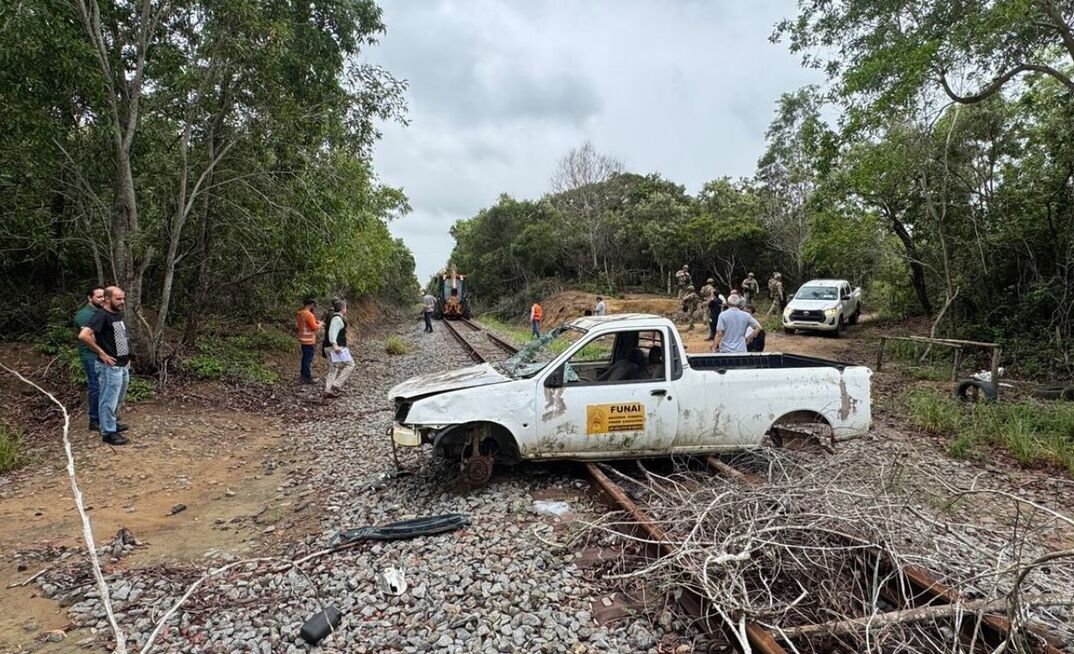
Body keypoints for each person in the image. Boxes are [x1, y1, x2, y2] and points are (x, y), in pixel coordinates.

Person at [78, 286, 131, 445]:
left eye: (123, 298)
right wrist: (102, 353)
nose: (122, 302)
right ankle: (108, 432)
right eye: (118, 299)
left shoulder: (116, 315)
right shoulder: (101, 315)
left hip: (122, 364)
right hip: (110, 367)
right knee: (108, 399)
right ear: (107, 299)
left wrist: (128, 357)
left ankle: (112, 424)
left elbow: (121, 337)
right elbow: (84, 335)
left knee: (117, 398)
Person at [74, 287, 104, 431]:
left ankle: (104, 416)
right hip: (91, 355)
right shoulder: (84, 315)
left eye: (104, 296)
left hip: (101, 354)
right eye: (98, 297)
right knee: (95, 386)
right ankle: (94, 420)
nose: (102, 299)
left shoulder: (101, 312)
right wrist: (102, 352)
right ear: (89, 298)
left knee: (105, 386)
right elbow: (88, 338)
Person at [321, 299, 355, 398]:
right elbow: (332, 333)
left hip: (328, 346)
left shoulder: (334, 317)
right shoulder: (337, 319)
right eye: (345, 308)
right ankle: (336, 384)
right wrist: (335, 345)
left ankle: (328, 390)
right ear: (342, 309)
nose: (346, 309)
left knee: (333, 368)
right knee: (350, 364)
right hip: (335, 347)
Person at [296, 298, 323, 385]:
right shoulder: (309, 314)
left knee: (304, 358)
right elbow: (314, 327)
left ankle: (303, 375)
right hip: (309, 340)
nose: (314, 307)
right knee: (308, 359)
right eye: (313, 305)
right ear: (311, 304)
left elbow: (305, 324)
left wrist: (315, 322)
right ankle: (307, 377)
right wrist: (320, 324)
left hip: (302, 338)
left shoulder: (300, 313)